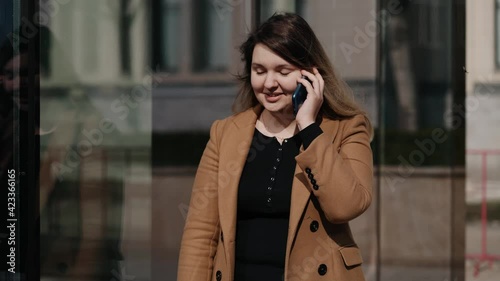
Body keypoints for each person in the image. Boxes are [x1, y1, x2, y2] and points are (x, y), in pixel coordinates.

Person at [177, 13, 373, 281]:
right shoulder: (226, 134)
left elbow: (346, 207)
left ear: (311, 74)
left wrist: (308, 128)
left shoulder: (347, 128)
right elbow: (200, 232)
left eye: (283, 71)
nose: (269, 83)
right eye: (259, 71)